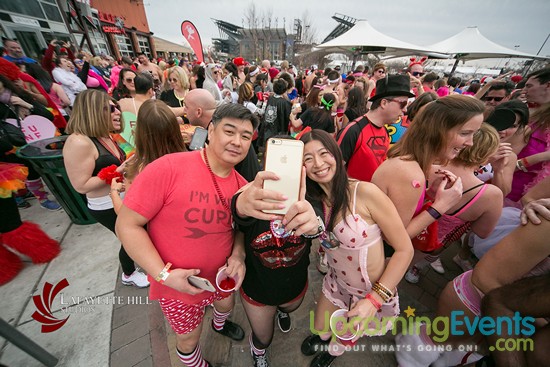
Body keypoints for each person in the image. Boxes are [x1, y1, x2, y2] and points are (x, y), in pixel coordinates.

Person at [115, 103, 259, 367]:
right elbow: (127, 225)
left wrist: (238, 256)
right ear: (211, 130)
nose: (237, 142)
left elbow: (238, 229)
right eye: (230, 131)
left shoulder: (242, 186)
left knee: (225, 308)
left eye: (246, 136)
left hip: (220, 279)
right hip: (176, 286)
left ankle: (218, 325)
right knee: (189, 339)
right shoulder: (168, 167)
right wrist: (163, 275)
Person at [395, 176, 550, 367]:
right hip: (474, 304)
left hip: (496, 323)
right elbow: (486, 281)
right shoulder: (546, 221)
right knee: (429, 344)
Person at [299, 130, 413, 367]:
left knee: (342, 338)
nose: (318, 164)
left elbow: (405, 250)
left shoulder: (366, 194)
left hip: (370, 290)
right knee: (320, 329)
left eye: (323, 154)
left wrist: (374, 300)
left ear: (337, 156)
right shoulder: (313, 200)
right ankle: (324, 340)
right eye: (308, 159)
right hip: (336, 281)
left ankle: (332, 352)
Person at [231, 152, 322, 367]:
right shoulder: (252, 197)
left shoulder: (309, 199)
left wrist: (316, 225)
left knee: (288, 308)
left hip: (293, 284)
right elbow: (239, 214)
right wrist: (240, 205)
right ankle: (258, 351)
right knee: (264, 337)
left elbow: (318, 222)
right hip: (258, 288)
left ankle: (281, 311)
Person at [372, 95, 484, 257]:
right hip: (375, 256)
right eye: (465, 133)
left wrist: (429, 195)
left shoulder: (412, 164)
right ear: (436, 132)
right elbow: (392, 238)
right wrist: (440, 207)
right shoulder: (409, 173)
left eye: (474, 134)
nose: (470, 143)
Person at [63, 90, 148, 288]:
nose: (117, 112)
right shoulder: (78, 141)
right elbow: (80, 185)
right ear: (92, 111)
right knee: (131, 236)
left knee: (134, 233)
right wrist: (116, 170)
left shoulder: (106, 135)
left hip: (122, 197)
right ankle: (128, 274)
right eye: (110, 109)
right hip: (105, 205)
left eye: (116, 107)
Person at [404, 123, 504, 283]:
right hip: (425, 243)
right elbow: (482, 232)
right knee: (396, 268)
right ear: (487, 155)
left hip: (395, 224)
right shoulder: (490, 195)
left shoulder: (425, 162)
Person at [110, 99, 186, 212]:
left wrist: (114, 192)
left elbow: (125, 216)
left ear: (140, 131)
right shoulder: (191, 161)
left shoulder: (139, 172)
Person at [336, 74, 413, 182]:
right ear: (384, 103)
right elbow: (334, 171)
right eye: (402, 104)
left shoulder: (385, 131)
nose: (405, 110)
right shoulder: (353, 130)